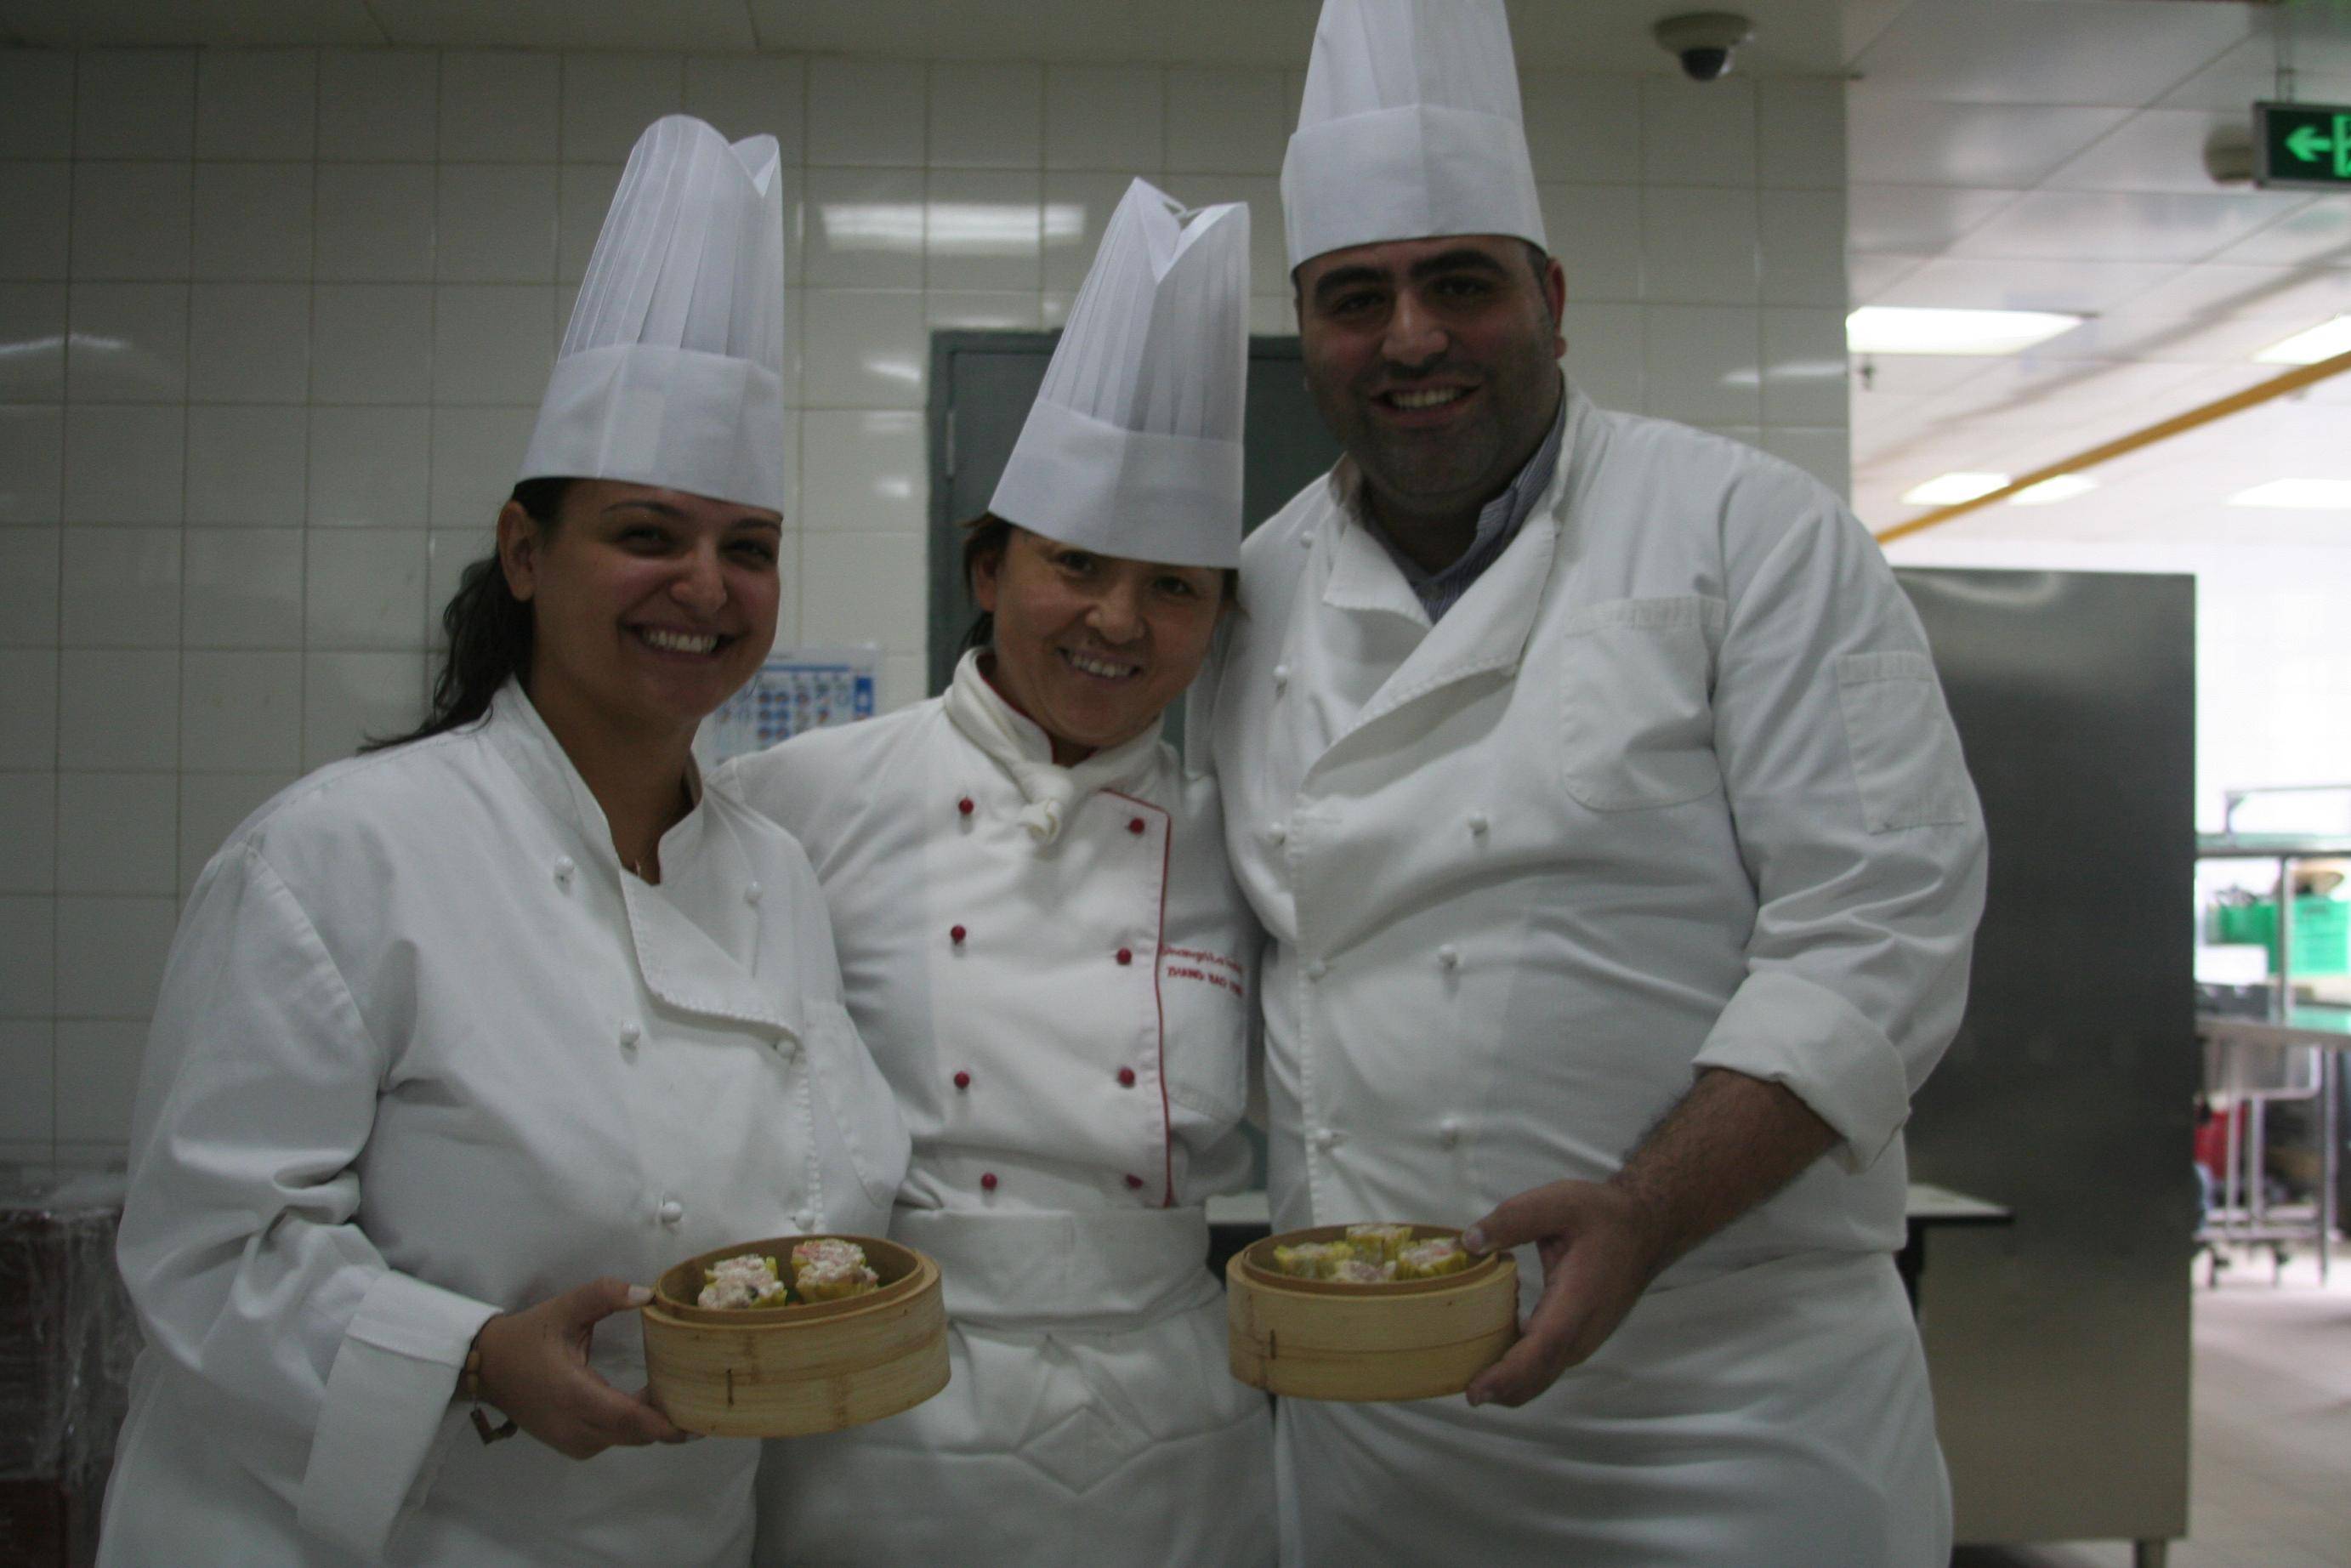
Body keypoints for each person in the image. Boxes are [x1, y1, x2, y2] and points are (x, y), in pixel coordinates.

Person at [1188, 2, 1990, 1564]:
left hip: (1731, 1399)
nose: (1409, 339)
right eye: (1356, 297)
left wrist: (1642, 1213)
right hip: (1382, 1415)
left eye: (1459, 282)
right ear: (1305, 328)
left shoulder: (1750, 530)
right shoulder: (1252, 588)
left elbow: (1881, 924)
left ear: (1550, 299)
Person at [98, 116, 908, 1568]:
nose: (705, 586)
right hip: (387, 1530)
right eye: (647, 535)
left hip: (674, 1529)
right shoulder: (342, 854)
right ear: (527, 555)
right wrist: (469, 1355)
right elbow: (205, 1246)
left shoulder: (774, 876)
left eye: (749, 547)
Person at [724, 179, 1276, 1568]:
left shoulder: (1243, 841)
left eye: (1173, 586)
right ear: (988, 568)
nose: (1116, 621)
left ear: (1216, 620)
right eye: (1075, 565)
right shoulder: (799, 800)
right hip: (886, 1408)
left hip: (1179, 1417)